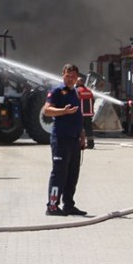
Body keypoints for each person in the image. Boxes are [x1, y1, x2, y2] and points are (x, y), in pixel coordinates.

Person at [43, 64, 88, 217]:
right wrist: (64, 111)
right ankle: (53, 206)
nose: (70, 79)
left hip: (74, 140)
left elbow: (78, 117)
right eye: (68, 76)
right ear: (62, 75)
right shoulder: (57, 91)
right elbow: (47, 110)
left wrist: (82, 137)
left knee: (72, 174)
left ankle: (69, 205)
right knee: (59, 173)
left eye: (73, 77)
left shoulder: (75, 92)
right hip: (61, 139)